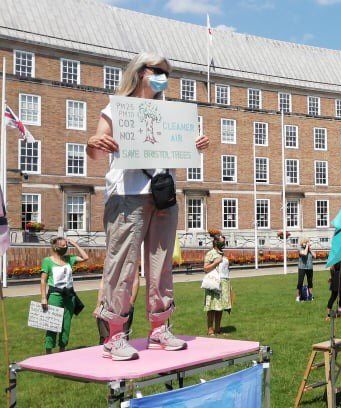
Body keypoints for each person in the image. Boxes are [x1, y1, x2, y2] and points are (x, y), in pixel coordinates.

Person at [87, 52, 210, 360]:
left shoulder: (171, 114)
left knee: (161, 266)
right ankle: (115, 334)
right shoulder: (116, 109)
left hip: (163, 194)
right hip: (127, 194)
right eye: (158, 70)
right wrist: (95, 143)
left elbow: (177, 149)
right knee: (123, 264)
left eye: (166, 72)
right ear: (140, 72)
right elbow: (94, 151)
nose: (162, 77)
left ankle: (159, 327)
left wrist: (192, 146)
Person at [40, 238, 89, 353]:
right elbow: (43, 280)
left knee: (66, 325)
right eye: (63, 245)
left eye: (67, 245)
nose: (66, 247)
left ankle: (62, 350)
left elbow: (85, 257)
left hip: (69, 296)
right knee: (52, 324)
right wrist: (43, 298)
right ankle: (48, 352)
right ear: (56, 247)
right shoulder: (47, 261)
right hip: (55, 296)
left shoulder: (69, 259)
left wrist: (75, 244)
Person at [96, 272, 139, 345]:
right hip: (107, 303)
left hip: (124, 304)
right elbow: (103, 280)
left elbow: (135, 280)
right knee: (104, 338)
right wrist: (98, 305)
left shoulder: (130, 261)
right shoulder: (109, 261)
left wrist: (131, 302)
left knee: (122, 337)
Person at [203, 234, 232, 335]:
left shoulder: (222, 254)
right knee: (211, 307)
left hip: (224, 283)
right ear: (215, 242)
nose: (223, 243)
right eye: (222, 241)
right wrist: (215, 263)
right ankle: (210, 329)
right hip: (214, 283)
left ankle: (218, 328)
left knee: (220, 307)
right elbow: (205, 268)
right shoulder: (210, 253)